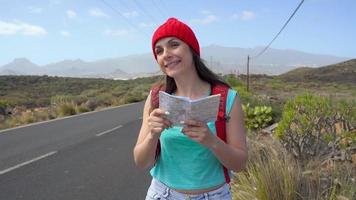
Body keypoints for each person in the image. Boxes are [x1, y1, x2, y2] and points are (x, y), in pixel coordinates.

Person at [133, 17, 247, 200]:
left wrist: (212, 141)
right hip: (162, 194)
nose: (166, 54)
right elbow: (140, 161)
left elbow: (240, 164)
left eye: (174, 45)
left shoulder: (227, 98)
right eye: (159, 51)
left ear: (192, 50)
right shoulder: (156, 98)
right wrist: (152, 135)